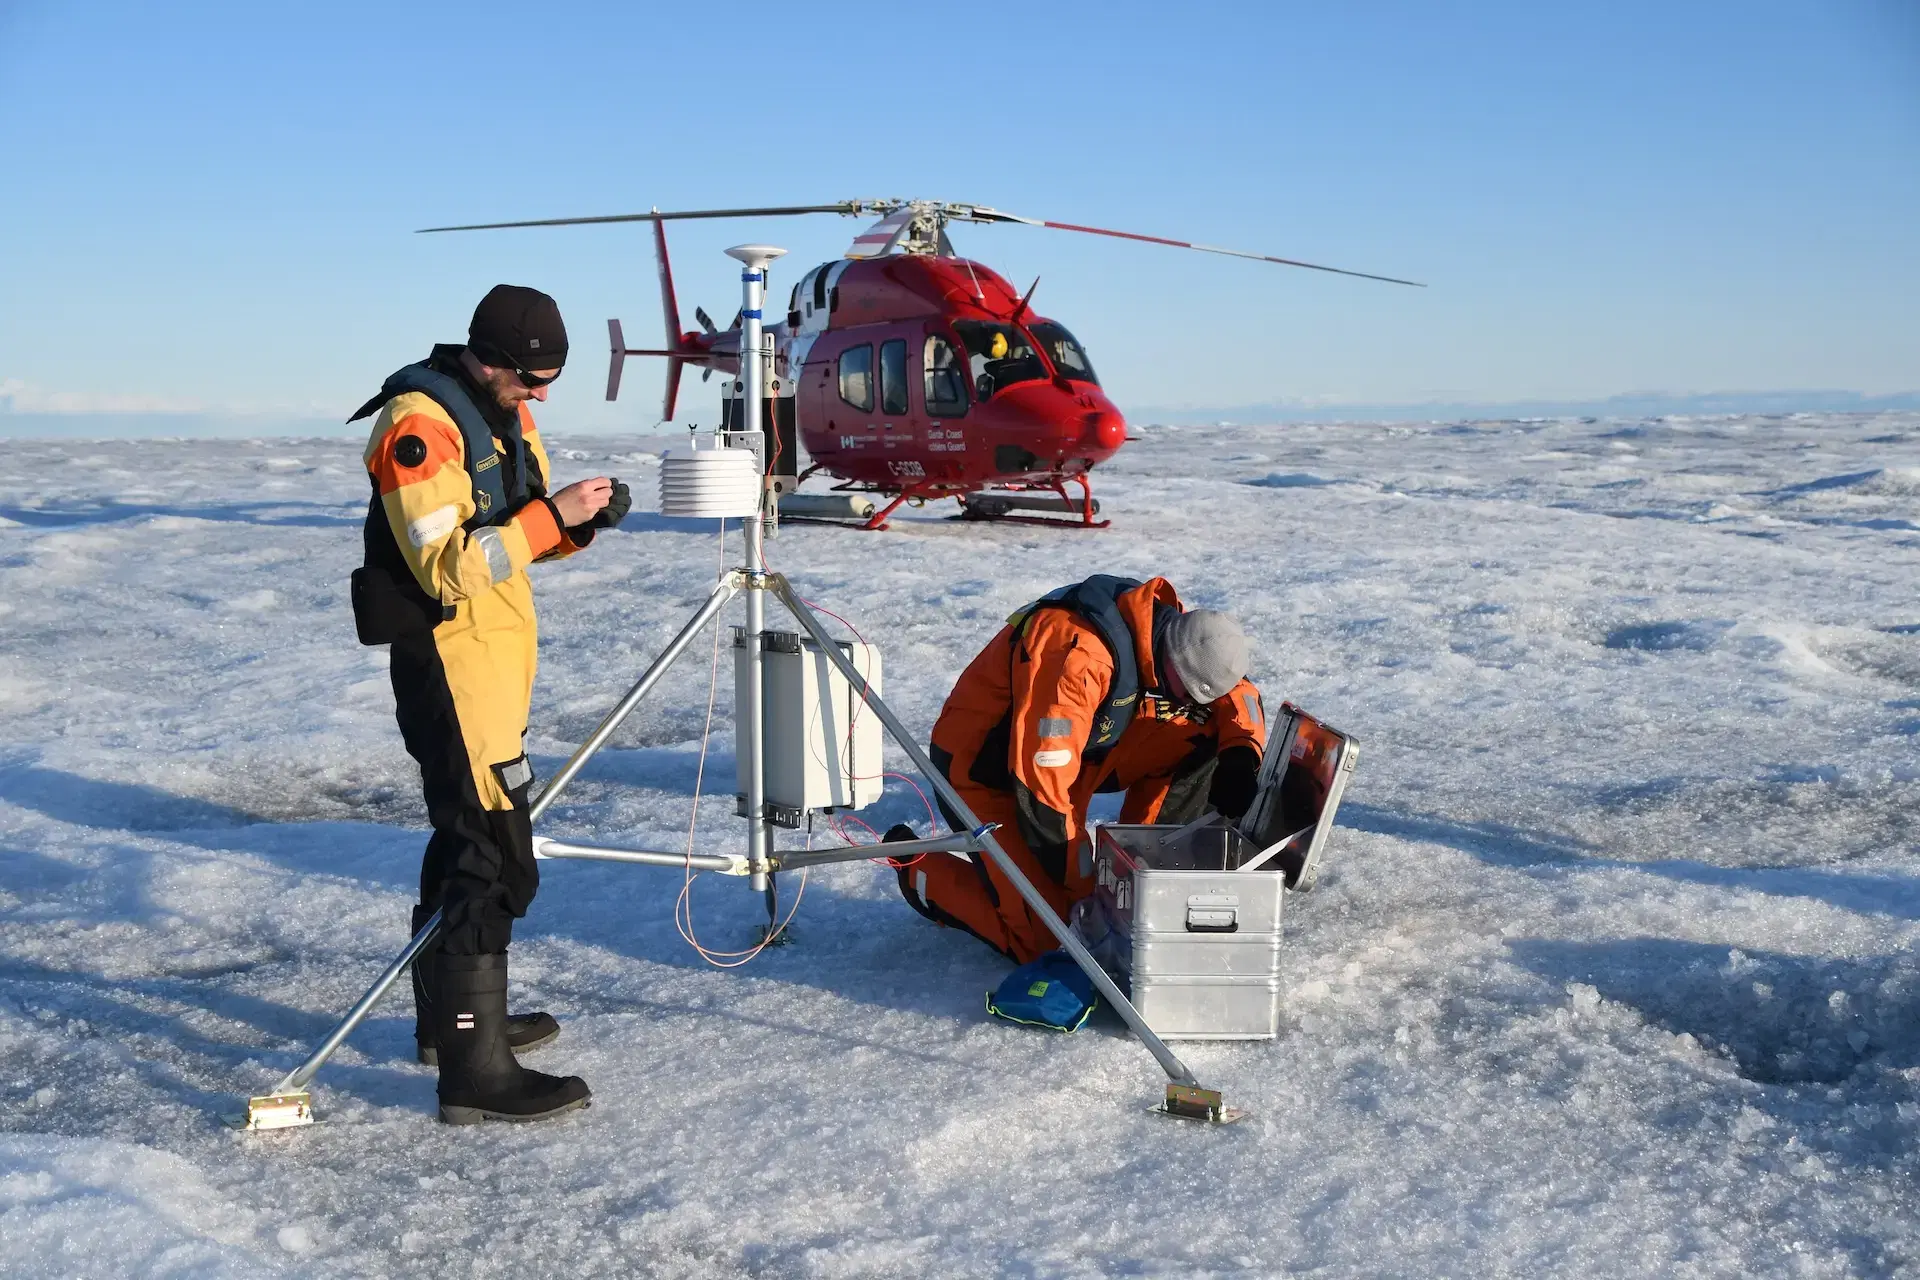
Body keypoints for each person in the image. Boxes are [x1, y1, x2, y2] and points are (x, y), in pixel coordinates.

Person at [348, 284, 632, 1124]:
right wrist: (550, 520)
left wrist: (579, 522)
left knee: (464, 836)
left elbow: (515, 538)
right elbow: (447, 568)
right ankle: (474, 1072)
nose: (541, 394)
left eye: (551, 379)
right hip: (449, 662)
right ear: (488, 357)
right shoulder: (419, 427)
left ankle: (451, 1023)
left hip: (494, 661)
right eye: (531, 378)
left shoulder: (502, 412)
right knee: (493, 859)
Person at [895, 575, 1266, 963]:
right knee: (1051, 938)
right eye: (1183, 688)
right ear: (1172, 658)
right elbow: (1042, 793)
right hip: (990, 774)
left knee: (1203, 728)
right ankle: (921, 874)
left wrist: (1241, 755)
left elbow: (1239, 694)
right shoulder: (1074, 658)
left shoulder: (1175, 631)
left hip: (1080, 753)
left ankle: (1149, 854)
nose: (1185, 699)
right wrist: (1089, 889)